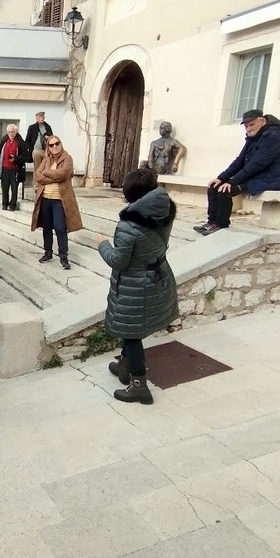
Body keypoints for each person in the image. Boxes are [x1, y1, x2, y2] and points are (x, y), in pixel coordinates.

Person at [98, 168, 179, 405]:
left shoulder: (128, 226)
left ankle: (139, 386)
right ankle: (125, 366)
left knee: (131, 333)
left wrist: (103, 244)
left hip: (136, 285)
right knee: (131, 327)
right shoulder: (165, 210)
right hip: (157, 276)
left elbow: (118, 261)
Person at [195, 109, 280, 235]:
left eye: (252, 125)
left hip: (270, 179)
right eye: (246, 126)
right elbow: (240, 160)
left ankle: (221, 225)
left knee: (225, 191)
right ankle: (212, 222)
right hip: (255, 177)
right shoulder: (254, 137)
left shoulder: (272, 137)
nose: (248, 129)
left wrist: (232, 182)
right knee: (214, 187)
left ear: (262, 121)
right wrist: (221, 178)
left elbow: (257, 164)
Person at [31, 135, 83, 270]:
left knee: (60, 228)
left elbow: (64, 173)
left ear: (61, 144)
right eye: (51, 145)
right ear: (48, 147)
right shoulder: (46, 159)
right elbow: (38, 176)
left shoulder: (67, 158)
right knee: (47, 227)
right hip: (45, 199)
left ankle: (63, 256)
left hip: (59, 200)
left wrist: (47, 173)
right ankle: (48, 253)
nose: (54, 146)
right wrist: (54, 176)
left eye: (57, 143)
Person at [0, 123, 26, 211]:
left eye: (12, 132)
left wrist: (15, 158)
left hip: (15, 169)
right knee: (5, 187)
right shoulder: (4, 140)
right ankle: (4, 204)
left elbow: (25, 156)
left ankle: (12, 205)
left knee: (14, 188)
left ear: (16, 132)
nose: (11, 134)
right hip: (5, 168)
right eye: (9, 132)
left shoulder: (20, 142)